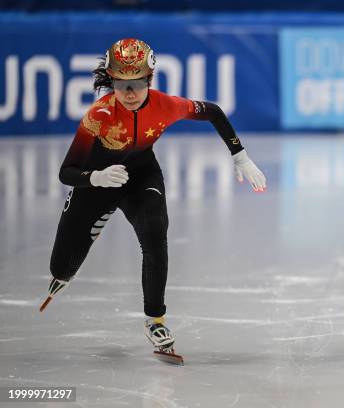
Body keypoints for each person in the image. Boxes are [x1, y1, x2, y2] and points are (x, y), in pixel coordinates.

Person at [42, 38, 267, 354]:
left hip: (140, 175)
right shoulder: (99, 115)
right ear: (112, 82)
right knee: (60, 270)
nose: (130, 94)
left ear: (149, 79)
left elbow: (213, 112)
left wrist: (239, 155)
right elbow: (67, 172)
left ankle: (155, 319)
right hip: (96, 182)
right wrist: (95, 177)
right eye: (121, 85)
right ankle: (77, 252)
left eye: (137, 84)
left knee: (154, 232)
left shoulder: (167, 105)